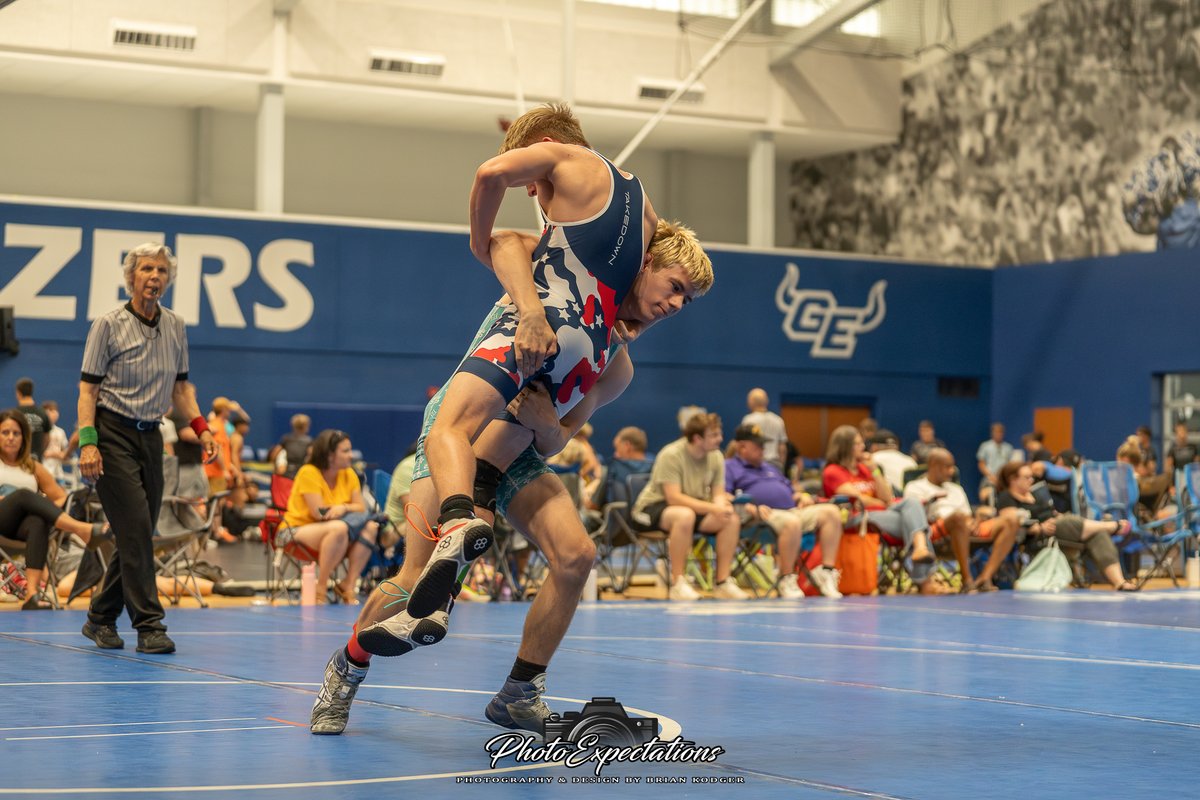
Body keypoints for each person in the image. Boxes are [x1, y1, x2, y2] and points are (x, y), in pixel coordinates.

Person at [311, 211, 711, 735]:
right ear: (646, 263)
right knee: (415, 585)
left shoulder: (618, 366)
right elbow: (506, 242)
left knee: (577, 556)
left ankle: (520, 692)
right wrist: (527, 308)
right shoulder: (562, 282)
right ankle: (346, 668)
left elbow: (559, 438)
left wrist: (547, 422)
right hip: (461, 431)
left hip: (518, 451)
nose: (676, 305)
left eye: (688, 301)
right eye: (675, 286)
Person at [411, 101, 677, 622]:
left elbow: (491, 180)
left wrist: (477, 246)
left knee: (449, 431)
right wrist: (635, 313)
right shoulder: (641, 205)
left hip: (535, 338)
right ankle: (455, 563)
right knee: (564, 547)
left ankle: (458, 525)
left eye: (532, 176)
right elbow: (665, 253)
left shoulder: (564, 169)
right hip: (577, 357)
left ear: (548, 145)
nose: (532, 191)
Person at [77, 242, 217, 654]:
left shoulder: (175, 325)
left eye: (161, 270)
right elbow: (87, 391)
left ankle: (100, 617)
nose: (154, 276)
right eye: (146, 270)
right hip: (111, 433)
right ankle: (149, 626)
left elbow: (180, 388)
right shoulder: (107, 324)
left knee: (135, 532)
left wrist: (202, 427)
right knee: (137, 528)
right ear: (131, 278)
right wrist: (89, 443)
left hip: (151, 436)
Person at [0, 410, 110, 609]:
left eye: (16, 433)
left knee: (38, 521)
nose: (11, 438)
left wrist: (41, 505)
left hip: (20, 529)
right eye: (5, 432)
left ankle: (31, 595)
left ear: (23, 438)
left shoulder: (33, 467)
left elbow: (61, 497)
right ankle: (82, 529)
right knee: (23, 495)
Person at [631, 413, 747, 601]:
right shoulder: (671, 454)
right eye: (714, 435)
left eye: (719, 433)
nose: (721, 439)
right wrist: (713, 508)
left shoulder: (717, 456)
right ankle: (678, 582)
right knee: (684, 515)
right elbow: (674, 497)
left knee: (729, 518)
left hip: (693, 507)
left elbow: (718, 494)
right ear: (697, 438)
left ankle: (722, 582)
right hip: (653, 507)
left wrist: (721, 507)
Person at [724, 424, 843, 599]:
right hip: (761, 517)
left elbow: (791, 489)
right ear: (742, 446)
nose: (763, 449)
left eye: (763, 445)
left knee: (831, 512)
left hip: (792, 510)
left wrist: (801, 496)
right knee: (791, 522)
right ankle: (786, 578)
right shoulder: (729, 467)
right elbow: (725, 496)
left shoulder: (770, 468)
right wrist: (747, 507)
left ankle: (826, 572)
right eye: (757, 445)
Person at [822, 425, 942, 593]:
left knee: (912, 504)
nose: (863, 447)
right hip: (856, 518)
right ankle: (925, 579)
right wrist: (879, 502)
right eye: (857, 444)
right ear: (845, 446)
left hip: (880, 513)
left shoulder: (865, 468)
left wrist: (875, 471)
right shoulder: (832, 472)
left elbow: (887, 496)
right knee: (913, 520)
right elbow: (859, 499)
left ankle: (921, 553)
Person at [996, 462, 1136, 591]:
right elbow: (1012, 525)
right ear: (1012, 479)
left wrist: (1058, 516)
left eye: (1031, 477)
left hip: (1061, 530)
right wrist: (1039, 528)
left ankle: (1119, 582)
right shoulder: (1006, 498)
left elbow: (1052, 512)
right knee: (1067, 522)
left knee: (1097, 534)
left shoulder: (1035, 494)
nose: (1031, 480)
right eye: (1026, 477)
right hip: (1040, 538)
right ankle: (1113, 526)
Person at [283, 429, 380, 605]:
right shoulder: (308, 472)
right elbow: (319, 514)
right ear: (329, 455)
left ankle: (347, 585)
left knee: (371, 527)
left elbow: (360, 507)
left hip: (337, 531)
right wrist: (344, 512)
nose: (351, 455)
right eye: (345, 451)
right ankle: (320, 587)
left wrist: (342, 508)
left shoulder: (349, 473)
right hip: (295, 530)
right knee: (339, 529)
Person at [903, 448, 1018, 593]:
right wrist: (961, 520)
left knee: (1011, 521)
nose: (951, 471)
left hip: (966, 528)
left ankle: (984, 577)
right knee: (958, 518)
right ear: (933, 465)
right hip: (936, 531)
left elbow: (967, 513)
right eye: (947, 467)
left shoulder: (956, 489)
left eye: (952, 467)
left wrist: (974, 520)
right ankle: (967, 580)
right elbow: (914, 517)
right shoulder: (914, 487)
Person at [741, 388, 789, 469]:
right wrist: (781, 466)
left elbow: (743, 445)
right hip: (775, 464)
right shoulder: (778, 420)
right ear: (766, 401)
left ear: (751, 402)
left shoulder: (748, 420)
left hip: (754, 464)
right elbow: (782, 447)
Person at [15, 377, 50, 462]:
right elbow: (47, 439)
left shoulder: (13, 415)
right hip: (36, 461)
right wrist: (39, 452)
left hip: (17, 461)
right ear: (31, 392)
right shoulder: (43, 413)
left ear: (18, 393)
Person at [976, 422, 1014, 500]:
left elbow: (1009, 464)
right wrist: (991, 476)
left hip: (1003, 479)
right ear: (992, 433)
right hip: (989, 478)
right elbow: (981, 464)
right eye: (996, 432)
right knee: (986, 497)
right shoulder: (985, 446)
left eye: (1000, 432)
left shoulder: (1008, 447)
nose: (998, 434)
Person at [40, 400, 70, 483]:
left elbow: (65, 452)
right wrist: (49, 454)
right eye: (50, 410)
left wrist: (61, 455)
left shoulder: (60, 432)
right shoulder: (39, 431)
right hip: (43, 470)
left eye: (55, 410)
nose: (54, 413)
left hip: (58, 473)